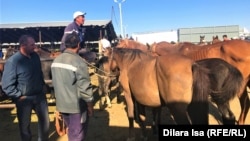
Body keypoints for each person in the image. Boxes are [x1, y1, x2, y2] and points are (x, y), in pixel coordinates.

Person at [1, 35, 50, 141]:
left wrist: (42, 87)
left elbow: (39, 73)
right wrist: (18, 96)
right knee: (24, 128)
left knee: (45, 124)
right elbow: (6, 85)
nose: (35, 46)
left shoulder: (35, 57)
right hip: (24, 100)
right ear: (23, 45)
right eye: (32, 45)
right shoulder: (13, 62)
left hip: (39, 97)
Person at [51, 31, 94, 141]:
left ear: (65, 45)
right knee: (78, 134)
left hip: (62, 104)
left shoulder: (56, 60)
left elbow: (55, 83)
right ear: (78, 45)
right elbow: (84, 86)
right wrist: (89, 105)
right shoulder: (78, 61)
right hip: (76, 107)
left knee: (71, 130)